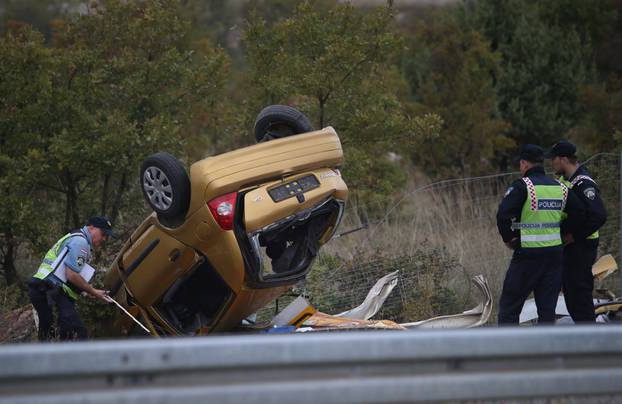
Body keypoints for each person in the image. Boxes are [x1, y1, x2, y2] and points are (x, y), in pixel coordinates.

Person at [496, 145, 585, 324]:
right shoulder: (560, 187)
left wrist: (510, 238)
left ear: (523, 164)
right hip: (554, 255)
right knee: (547, 310)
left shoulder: (523, 186)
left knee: (510, 308)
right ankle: (547, 350)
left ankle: (507, 349)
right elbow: (580, 212)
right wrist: (562, 233)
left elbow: (503, 214)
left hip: (527, 255)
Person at [547, 140, 607, 323]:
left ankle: (592, 343)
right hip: (571, 248)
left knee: (580, 297)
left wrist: (574, 236)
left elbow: (599, 215)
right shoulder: (566, 181)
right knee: (572, 297)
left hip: (582, 246)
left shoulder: (583, 183)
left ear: (563, 159)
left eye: (554, 159)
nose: (552, 163)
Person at [28, 216, 113, 341]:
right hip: (48, 288)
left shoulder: (76, 237)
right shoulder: (81, 242)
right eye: (103, 234)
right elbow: (71, 275)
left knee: (51, 332)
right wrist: (93, 291)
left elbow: (66, 275)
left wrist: (87, 291)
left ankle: (50, 357)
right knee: (77, 332)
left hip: (44, 287)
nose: (104, 238)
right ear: (91, 227)